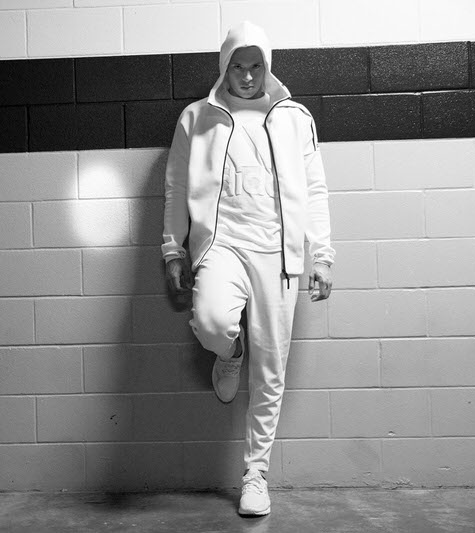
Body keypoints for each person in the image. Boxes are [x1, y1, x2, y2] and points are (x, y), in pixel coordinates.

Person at [162, 21, 335, 517]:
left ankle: (255, 474)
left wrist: (321, 255)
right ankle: (229, 350)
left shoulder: (294, 118)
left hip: (278, 254)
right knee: (213, 322)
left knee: (272, 368)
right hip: (221, 247)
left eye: (255, 65)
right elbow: (176, 187)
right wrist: (174, 249)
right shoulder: (197, 118)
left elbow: (316, 190)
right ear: (225, 67)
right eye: (237, 65)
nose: (246, 74)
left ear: (267, 66)